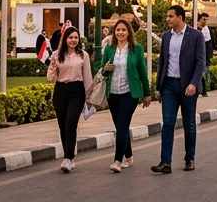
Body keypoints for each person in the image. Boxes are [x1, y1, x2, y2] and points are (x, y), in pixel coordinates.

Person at [152, 5, 207, 174]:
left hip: (187, 86)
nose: (167, 19)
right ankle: (165, 161)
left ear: (180, 17)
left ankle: (189, 158)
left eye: (170, 16)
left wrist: (194, 83)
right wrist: (158, 87)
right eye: (167, 16)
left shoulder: (196, 36)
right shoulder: (166, 37)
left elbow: (200, 62)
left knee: (188, 123)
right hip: (169, 84)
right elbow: (163, 62)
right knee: (168, 122)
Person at [96, 18, 153, 173]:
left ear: (129, 32)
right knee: (121, 126)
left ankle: (117, 161)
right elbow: (102, 68)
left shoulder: (137, 49)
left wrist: (147, 93)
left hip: (130, 93)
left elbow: (142, 70)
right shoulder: (110, 48)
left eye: (123, 30)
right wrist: (106, 68)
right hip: (112, 93)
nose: (120, 32)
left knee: (121, 125)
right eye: (118, 30)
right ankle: (129, 156)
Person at [48, 26, 94, 172]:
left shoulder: (83, 55)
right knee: (62, 125)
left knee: (70, 123)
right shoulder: (57, 55)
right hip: (60, 90)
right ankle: (67, 157)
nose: (73, 40)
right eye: (70, 38)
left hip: (77, 91)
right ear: (65, 39)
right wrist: (52, 64)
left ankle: (69, 158)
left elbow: (87, 77)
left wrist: (89, 97)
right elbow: (50, 78)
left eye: (75, 37)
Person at [195, 13, 215, 98]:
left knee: (202, 73)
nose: (205, 21)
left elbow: (208, 44)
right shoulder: (195, 29)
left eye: (206, 19)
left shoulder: (207, 30)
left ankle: (204, 90)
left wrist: (208, 56)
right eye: (203, 19)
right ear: (199, 19)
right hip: (194, 53)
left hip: (203, 55)